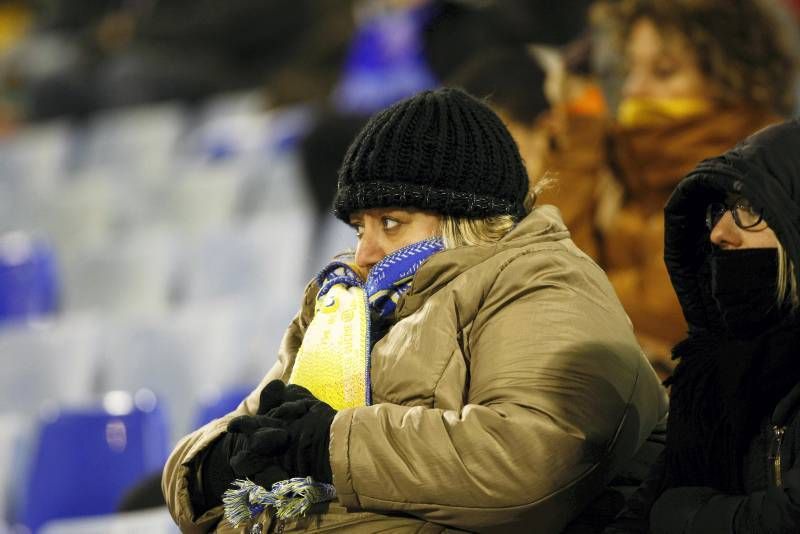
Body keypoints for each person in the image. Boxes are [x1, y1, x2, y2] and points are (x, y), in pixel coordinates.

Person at [162, 88, 667, 533]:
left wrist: (331, 448)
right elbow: (262, 422)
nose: (365, 252)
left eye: (391, 222)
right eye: (361, 228)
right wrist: (209, 469)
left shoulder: (540, 280)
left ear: (467, 217)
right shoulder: (344, 305)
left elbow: (531, 459)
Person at [537, 0, 798, 375]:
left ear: (732, 77)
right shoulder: (618, 164)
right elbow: (545, 260)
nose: (634, 89)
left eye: (663, 72)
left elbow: (663, 315)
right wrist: (578, 137)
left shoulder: (763, 182)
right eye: (630, 69)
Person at [606, 118, 800, 533]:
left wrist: (681, 515)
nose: (720, 233)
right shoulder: (713, 377)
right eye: (722, 210)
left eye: (750, 211)